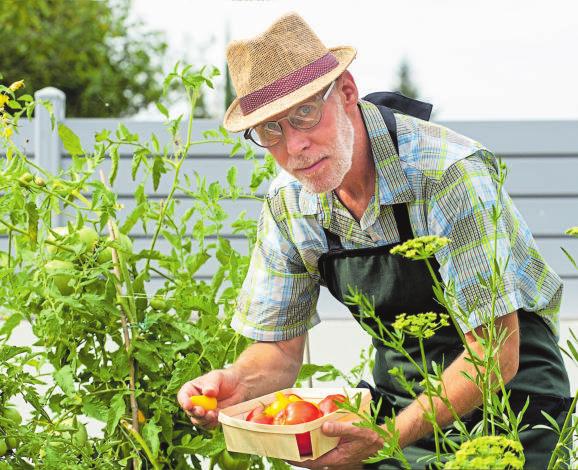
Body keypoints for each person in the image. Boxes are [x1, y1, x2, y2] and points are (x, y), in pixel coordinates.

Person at [178, 12, 572, 469]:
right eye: (270, 130)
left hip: (514, 404)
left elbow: (496, 353)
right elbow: (280, 350)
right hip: (398, 400)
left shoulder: (447, 174)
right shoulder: (290, 204)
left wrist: (387, 439)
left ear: (346, 92)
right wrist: (234, 383)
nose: (294, 147)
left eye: (304, 113)